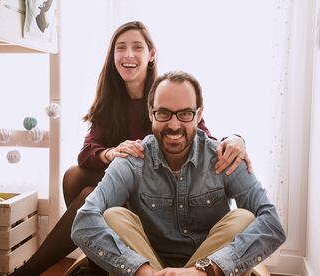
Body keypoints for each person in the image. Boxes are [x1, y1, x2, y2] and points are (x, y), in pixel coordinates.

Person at [12, 21, 250, 275]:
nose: (128, 55)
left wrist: (237, 138)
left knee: (83, 194)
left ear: (151, 54)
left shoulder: (167, 93)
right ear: (113, 56)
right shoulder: (111, 100)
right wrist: (111, 152)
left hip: (159, 196)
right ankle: (98, 259)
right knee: (75, 177)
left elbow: (204, 139)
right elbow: (87, 152)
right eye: (120, 48)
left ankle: (31, 272)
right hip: (125, 191)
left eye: (137, 47)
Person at [72, 71, 286, 276]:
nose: (174, 125)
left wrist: (202, 272)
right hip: (150, 263)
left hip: (207, 267)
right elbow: (83, 222)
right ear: (151, 114)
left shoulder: (224, 157)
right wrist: (142, 270)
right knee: (113, 216)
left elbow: (271, 224)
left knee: (245, 218)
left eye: (184, 114)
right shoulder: (131, 160)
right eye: (163, 113)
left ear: (198, 114)